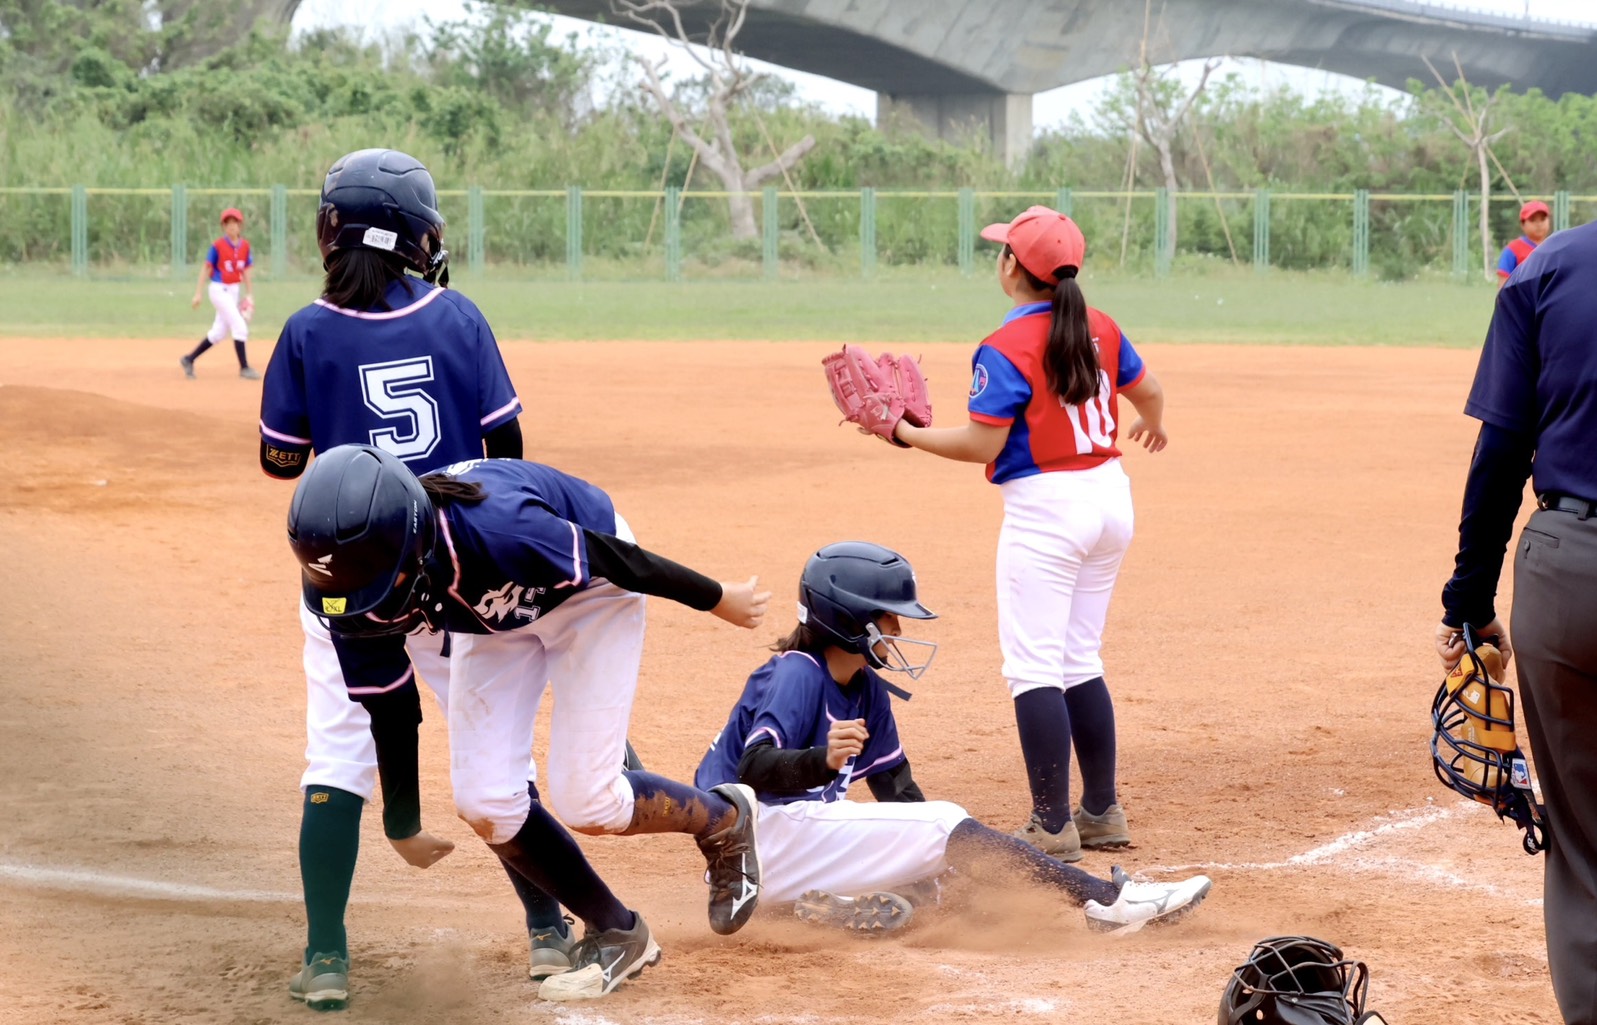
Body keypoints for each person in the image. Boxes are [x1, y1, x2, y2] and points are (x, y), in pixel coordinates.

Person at [286, 445, 770, 1002]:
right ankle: (617, 930)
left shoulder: (498, 528)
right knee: (485, 802)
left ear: (414, 545)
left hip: (588, 595)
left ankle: (723, 820)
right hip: (492, 617)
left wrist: (717, 597)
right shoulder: (345, 591)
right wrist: (403, 821)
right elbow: (391, 708)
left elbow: (614, 557)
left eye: (382, 584)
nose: (372, 606)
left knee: (589, 801)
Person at [258, 148, 533, 1010]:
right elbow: (509, 454)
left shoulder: (306, 330)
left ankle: (327, 956)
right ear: (417, 238)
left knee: (337, 757)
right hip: (452, 573)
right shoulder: (459, 319)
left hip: (350, 581)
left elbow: (280, 460)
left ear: (332, 232)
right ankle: (554, 930)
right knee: (495, 757)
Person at [694, 541, 1212, 936]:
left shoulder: (866, 688)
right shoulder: (797, 675)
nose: (897, 629)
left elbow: (898, 794)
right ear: (850, 620)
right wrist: (822, 762)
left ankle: (824, 907)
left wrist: (948, 858)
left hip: (794, 845)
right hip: (754, 845)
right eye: (888, 617)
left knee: (947, 863)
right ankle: (1111, 904)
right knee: (944, 824)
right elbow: (751, 769)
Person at [863, 205, 1168, 861]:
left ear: (1011, 268)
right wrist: (1154, 423)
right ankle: (1100, 810)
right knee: (1078, 657)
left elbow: (982, 442)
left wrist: (904, 433)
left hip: (1048, 508)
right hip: (1110, 498)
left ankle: (1052, 823)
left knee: (1033, 667)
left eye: (1001, 251)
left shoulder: (1004, 345)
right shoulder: (1101, 326)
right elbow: (1149, 392)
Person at [1436, 217, 1597, 1025]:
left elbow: (1501, 451)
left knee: (1582, 841)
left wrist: (1466, 599)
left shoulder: (1552, 267)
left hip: (1570, 568)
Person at [182, 207, 259, 379]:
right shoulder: (217, 246)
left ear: (240, 226)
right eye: (228, 223)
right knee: (239, 326)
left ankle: (189, 359)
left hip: (234, 290)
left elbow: (246, 271)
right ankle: (244, 368)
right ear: (223, 227)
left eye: (235, 223)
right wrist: (198, 294)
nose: (231, 226)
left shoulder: (245, 246)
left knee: (218, 333)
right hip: (218, 289)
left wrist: (249, 294)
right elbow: (206, 268)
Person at [1497, 200, 1552, 285]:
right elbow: (1503, 283)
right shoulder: (1513, 249)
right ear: (1522, 224)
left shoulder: (1554, 246)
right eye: (1533, 220)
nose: (1539, 224)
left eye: (1542, 219)